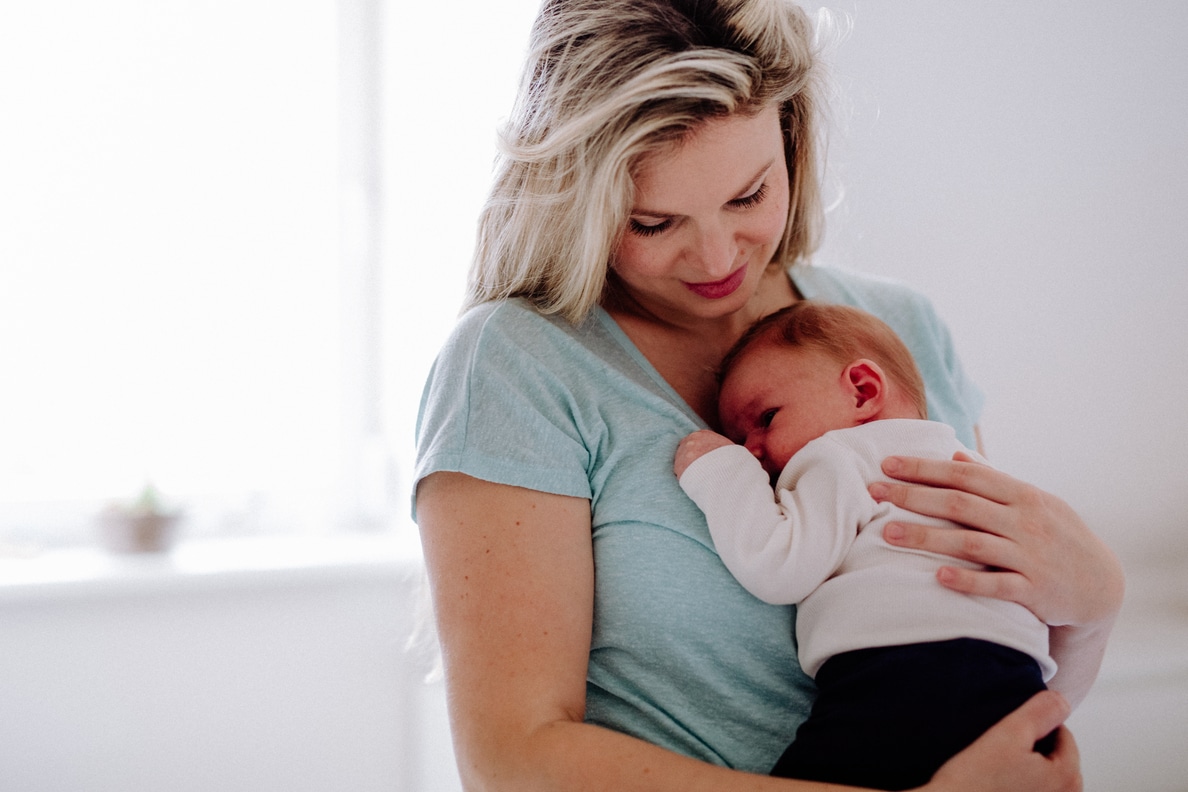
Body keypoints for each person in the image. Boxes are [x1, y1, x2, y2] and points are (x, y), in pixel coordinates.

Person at [413, 1, 1124, 789]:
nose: (716, 255)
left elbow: (984, 643)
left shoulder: (896, 328)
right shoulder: (518, 365)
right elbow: (513, 761)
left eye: (748, 196)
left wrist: (1096, 600)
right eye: (653, 222)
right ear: (579, 201)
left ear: (791, 141)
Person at [675, 301, 1058, 790]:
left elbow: (778, 566)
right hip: (1017, 686)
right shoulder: (978, 470)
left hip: (902, 678)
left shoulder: (841, 454)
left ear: (862, 391)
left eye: (765, 418)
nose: (752, 450)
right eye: (738, 439)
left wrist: (721, 471)